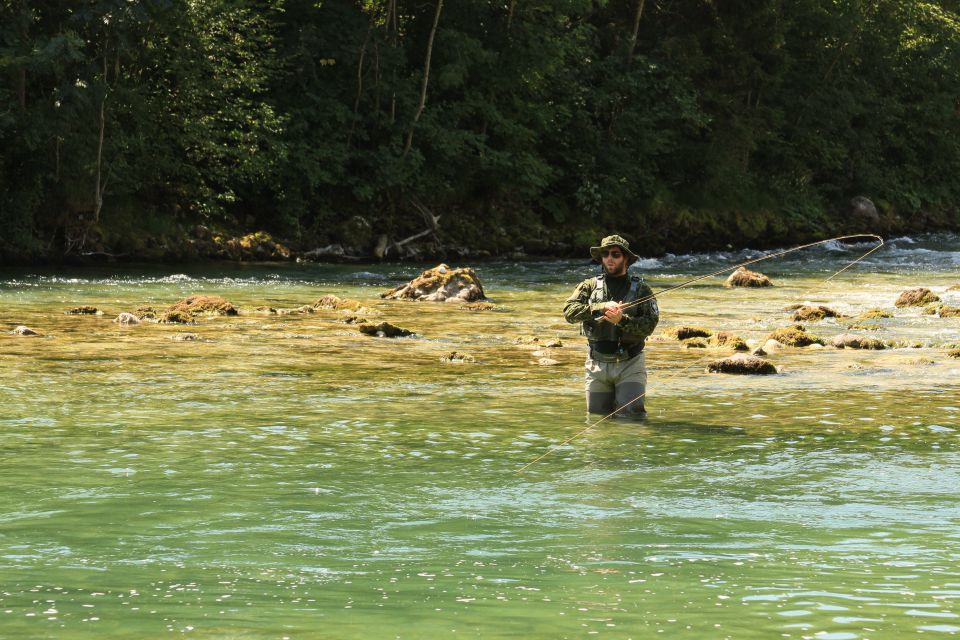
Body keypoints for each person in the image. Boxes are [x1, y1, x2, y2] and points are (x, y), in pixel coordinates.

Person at [563, 234, 659, 418]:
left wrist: (622, 321)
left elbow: (649, 325)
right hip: (596, 365)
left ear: (626, 259)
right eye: (605, 254)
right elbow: (569, 312)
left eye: (615, 254)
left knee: (631, 418)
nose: (609, 258)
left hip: (630, 364)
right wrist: (601, 307)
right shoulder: (588, 286)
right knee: (597, 419)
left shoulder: (641, 289)